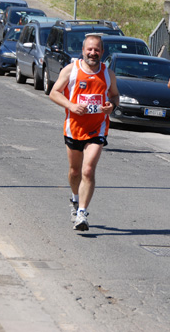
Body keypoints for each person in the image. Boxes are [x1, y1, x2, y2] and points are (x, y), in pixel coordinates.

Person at [49, 34, 120, 232]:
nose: (93, 53)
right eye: (89, 49)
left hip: (97, 128)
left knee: (88, 170)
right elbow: (54, 93)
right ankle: (74, 198)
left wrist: (111, 107)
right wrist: (71, 105)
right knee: (74, 171)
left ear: (102, 52)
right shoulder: (71, 70)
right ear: (83, 51)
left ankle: (82, 213)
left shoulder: (108, 74)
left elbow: (115, 96)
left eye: (96, 50)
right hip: (74, 127)